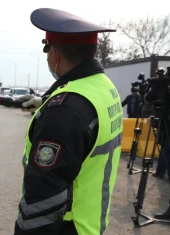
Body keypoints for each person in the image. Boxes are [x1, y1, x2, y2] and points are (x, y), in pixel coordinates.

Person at [12, 8, 123, 235]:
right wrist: (46, 103)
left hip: (65, 226)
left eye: (47, 49)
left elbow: (42, 199)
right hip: (89, 222)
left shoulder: (65, 111)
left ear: (56, 54)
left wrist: (55, 110)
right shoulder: (103, 87)